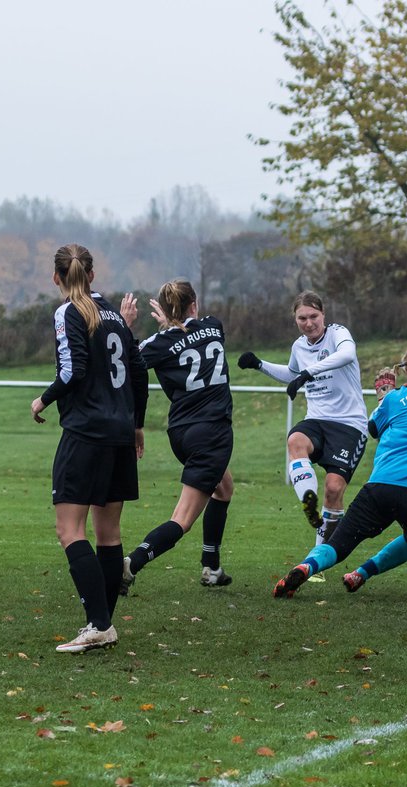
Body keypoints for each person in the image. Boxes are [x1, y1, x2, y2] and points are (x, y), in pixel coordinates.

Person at [271, 343, 407, 598]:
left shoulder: (395, 398)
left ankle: (307, 566)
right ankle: (362, 573)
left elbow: (374, 428)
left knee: (339, 542)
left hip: (383, 487)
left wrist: (384, 395)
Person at [30, 243, 148, 654]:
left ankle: (99, 624)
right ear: (93, 275)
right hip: (118, 434)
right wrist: (136, 426)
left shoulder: (69, 312)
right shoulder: (116, 316)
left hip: (86, 433)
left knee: (69, 530)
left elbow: (72, 369)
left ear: (56, 277)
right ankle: (102, 623)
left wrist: (42, 399)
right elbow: (138, 371)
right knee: (109, 533)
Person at [117, 277, 235, 595]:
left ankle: (211, 566)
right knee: (182, 519)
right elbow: (193, 336)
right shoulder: (214, 325)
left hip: (182, 433)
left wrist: (131, 329)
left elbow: (130, 360)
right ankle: (129, 565)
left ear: (166, 311)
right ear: (194, 305)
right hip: (212, 432)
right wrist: (172, 326)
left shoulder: (159, 344)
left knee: (224, 488)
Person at [237, 291, 367, 545]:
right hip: (317, 419)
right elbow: (292, 374)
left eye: (313, 316)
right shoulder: (298, 345)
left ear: (323, 314)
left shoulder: (338, 333)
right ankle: (309, 500)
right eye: (302, 318)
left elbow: (347, 355)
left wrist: (307, 373)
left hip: (349, 424)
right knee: (295, 440)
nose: (308, 323)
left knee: (333, 490)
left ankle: (321, 555)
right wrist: (259, 364)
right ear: (295, 319)